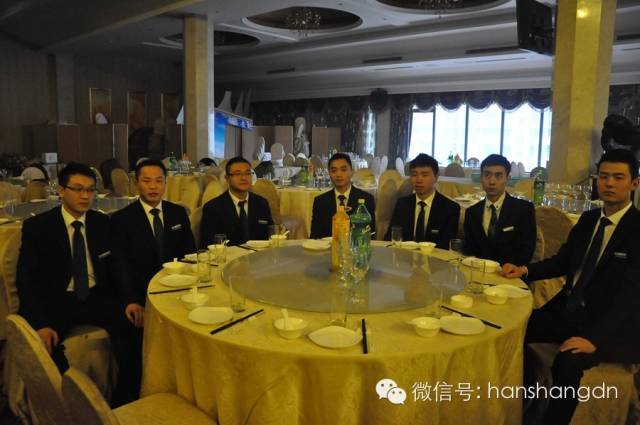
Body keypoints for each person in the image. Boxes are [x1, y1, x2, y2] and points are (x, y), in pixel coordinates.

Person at [502, 149, 640, 425]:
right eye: (604, 176)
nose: (609, 183)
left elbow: (631, 298)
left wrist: (595, 339)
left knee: (567, 362)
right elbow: (563, 261)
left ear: (634, 183)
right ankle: (523, 402)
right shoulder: (589, 220)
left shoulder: (637, 229)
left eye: (618, 177)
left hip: (610, 324)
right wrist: (525, 270)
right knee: (514, 329)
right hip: (570, 311)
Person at [15, 162, 135, 404]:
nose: (85, 196)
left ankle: (123, 400)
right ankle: (67, 403)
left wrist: (130, 300)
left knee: (133, 331)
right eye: (78, 189)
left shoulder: (102, 222)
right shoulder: (39, 227)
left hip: (95, 295)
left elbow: (118, 267)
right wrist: (40, 323)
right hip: (58, 299)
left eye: (90, 190)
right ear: (61, 191)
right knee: (47, 346)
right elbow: (26, 278)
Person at [111, 159, 195, 326]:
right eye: (146, 181)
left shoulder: (178, 213)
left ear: (165, 183)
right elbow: (120, 265)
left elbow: (190, 253)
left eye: (158, 181)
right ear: (136, 184)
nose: (153, 186)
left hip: (178, 289)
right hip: (142, 294)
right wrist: (130, 300)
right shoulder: (122, 219)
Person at [463, 154, 536, 265]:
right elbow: (470, 250)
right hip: (479, 270)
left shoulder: (524, 210)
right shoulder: (472, 212)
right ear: (481, 178)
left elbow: (527, 250)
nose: (492, 182)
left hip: (510, 271)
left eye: (498, 176)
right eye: (487, 175)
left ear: (508, 179)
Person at [385, 153, 460, 248]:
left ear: (436, 177)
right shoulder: (402, 204)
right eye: (414, 175)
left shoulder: (450, 208)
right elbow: (390, 237)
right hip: (404, 255)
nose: (419, 180)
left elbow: (446, 246)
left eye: (425, 175)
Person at [200, 156, 273, 247]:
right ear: (227, 178)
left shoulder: (261, 203)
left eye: (247, 173)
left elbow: (270, 235)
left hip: (259, 254)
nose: (244, 178)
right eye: (238, 174)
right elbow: (208, 244)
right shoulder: (213, 207)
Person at [310, 153, 376, 239]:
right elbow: (315, 236)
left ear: (352, 171)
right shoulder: (320, 201)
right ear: (329, 173)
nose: (338, 174)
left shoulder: (366, 199)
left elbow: (370, 234)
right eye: (334, 171)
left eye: (343, 170)